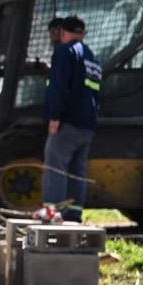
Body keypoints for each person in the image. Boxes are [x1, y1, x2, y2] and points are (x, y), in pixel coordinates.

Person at [43, 14, 101, 222]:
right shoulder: (92, 57)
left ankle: (53, 212)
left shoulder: (64, 52)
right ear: (84, 34)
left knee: (55, 166)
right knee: (77, 170)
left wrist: (54, 117)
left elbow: (58, 87)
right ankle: (74, 213)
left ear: (63, 33)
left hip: (68, 122)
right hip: (88, 124)